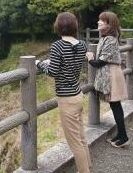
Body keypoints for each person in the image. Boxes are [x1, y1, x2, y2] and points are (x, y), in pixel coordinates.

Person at [36, 12, 91, 173]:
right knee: (81, 136)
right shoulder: (82, 45)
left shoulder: (57, 46)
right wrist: (52, 62)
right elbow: (70, 61)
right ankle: (88, 165)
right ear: (74, 26)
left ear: (58, 27)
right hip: (78, 94)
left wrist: (39, 63)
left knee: (74, 142)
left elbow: (52, 72)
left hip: (66, 99)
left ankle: (84, 171)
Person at [86, 11, 129, 148]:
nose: (98, 22)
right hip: (110, 73)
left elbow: (99, 63)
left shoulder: (110, 39)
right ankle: (121, 135)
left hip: (112, 75)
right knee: (114, 105)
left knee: (116, 106)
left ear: (109, 24)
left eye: (101, 21)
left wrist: (90, 58)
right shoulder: (106, 38)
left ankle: (124, 137)